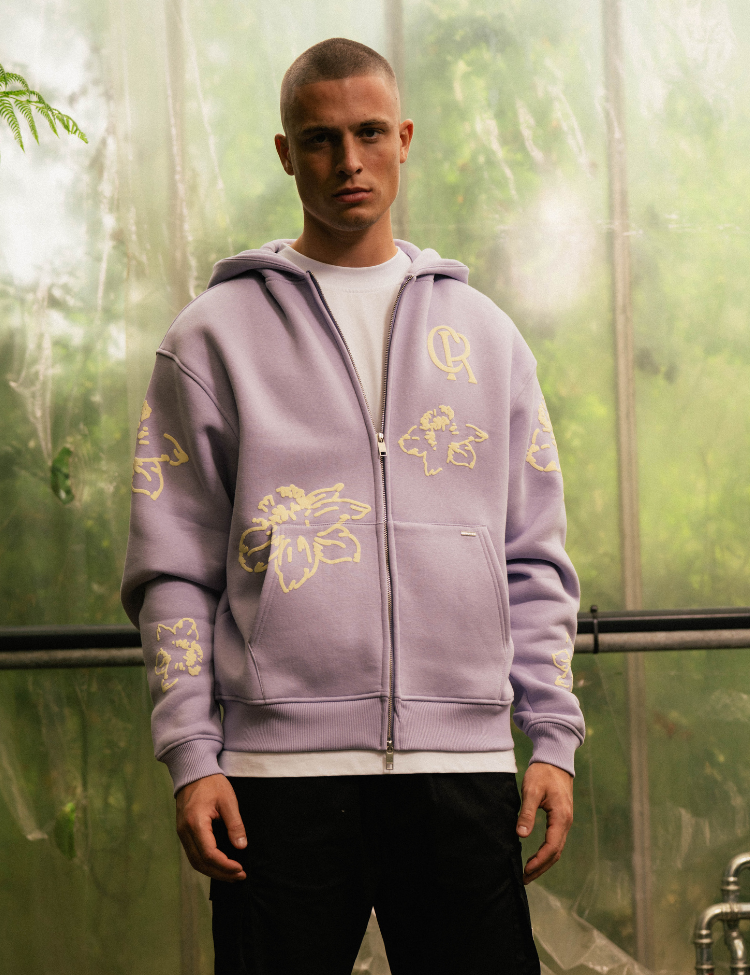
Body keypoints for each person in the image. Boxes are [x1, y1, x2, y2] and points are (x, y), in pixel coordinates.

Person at [122, 37, 584, 975]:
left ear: (403, 139)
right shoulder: (211, 340)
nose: (349, 161)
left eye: (370, 133)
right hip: (274, 781)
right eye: (320, 139)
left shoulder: (487, 338)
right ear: (286, 153)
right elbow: (172, 568)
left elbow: (533, 556)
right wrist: (193, 754)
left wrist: (553, 736)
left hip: (460, 769)